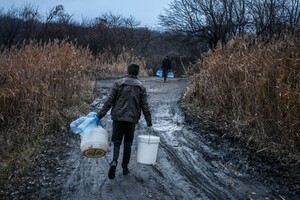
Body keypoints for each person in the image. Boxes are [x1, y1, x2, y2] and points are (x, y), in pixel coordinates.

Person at [97, 63, 152, 179]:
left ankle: (114, 162)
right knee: (128, 143)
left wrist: (99, 115)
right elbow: (145, 106)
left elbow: (109, 101)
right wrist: (149, 121)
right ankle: (125, 167)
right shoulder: (141, 87)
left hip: (118, 118)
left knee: (116, 142)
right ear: (137, 73)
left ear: (127, 71)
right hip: (131, 120)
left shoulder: (118, 83)